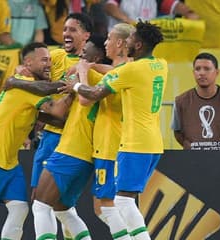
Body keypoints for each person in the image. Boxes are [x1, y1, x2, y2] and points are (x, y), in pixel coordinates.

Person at [60, 20, 167, 240]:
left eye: (130, 38)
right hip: (154, 143)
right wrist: (93, 67)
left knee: (122, 201)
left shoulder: (131, 70)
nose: (127, 41)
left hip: (134, 143)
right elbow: (115, 72)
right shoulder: (161, 64)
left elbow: (93, 94)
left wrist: (77, 85)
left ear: (138, 45)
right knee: (121, 201)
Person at [0, 42, 74, 240]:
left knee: (19, 209)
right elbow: (58, 111)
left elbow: (51, 119)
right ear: (28, 62)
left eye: (50, 61)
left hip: (8, 161)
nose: (49, 65)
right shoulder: (25, 85)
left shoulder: (23, 85)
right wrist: (72, 86)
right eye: (44, 60)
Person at [7, 12, 94, 239]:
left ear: (86, 36)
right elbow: (31, 70)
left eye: (73, 30)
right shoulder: (54, 57)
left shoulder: (89, 68)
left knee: (42, 202)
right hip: (50, 137)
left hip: (68, 139)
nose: (66, 33)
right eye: (65, 29)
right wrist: (20, 72)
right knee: (60, 207)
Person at [76, 23, 135, 240]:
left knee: (108, 207)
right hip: (107, 144)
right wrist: (92, 67)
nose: (106, 43)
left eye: (109, 38)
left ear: (120, 43)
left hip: (112, 145)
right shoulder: (124, 70)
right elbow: (111, 71)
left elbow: (85, 98)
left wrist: (83, 72)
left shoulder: (123, 72)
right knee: (102, 207)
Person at [171, 52, 220, 150]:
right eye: (197, 69)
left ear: (217, 72)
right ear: (193, 73)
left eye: (207, 69)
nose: (201, 73)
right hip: (193, 160)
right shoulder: (181, 101)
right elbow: (177, 132)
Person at [104, 0, 199, 31]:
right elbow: (110, 7)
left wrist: (189, 13)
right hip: (121, 37)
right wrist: (128, 20)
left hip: (144, 39)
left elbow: (174, 6)